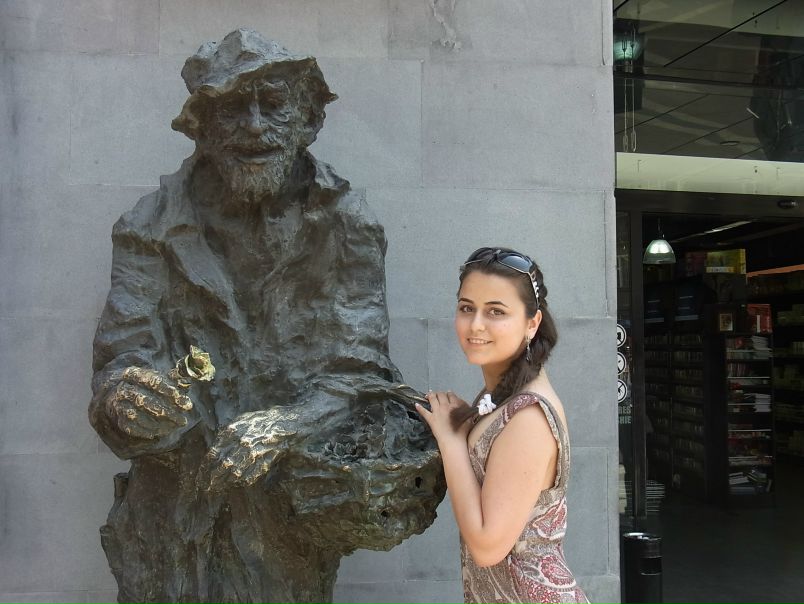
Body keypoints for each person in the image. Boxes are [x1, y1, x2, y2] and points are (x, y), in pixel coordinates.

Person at [88, 29, 444, 603]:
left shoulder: (345, 223)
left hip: (288, 510)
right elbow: (121, 357)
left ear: (308, 120)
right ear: (203, 127)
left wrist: (285, 425)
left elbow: (363, 371)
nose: (255, 127)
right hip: (173, 512)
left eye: (273, 104)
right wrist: (126, 398)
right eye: (232, 109)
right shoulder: (148, 228)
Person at [415, 246, 590, 604]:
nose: (475, 325)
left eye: (496, 311)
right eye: (467, 308)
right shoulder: (501, 394)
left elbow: (487, 547)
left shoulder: (529, 417)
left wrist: (451, 442)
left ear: (532, 323)